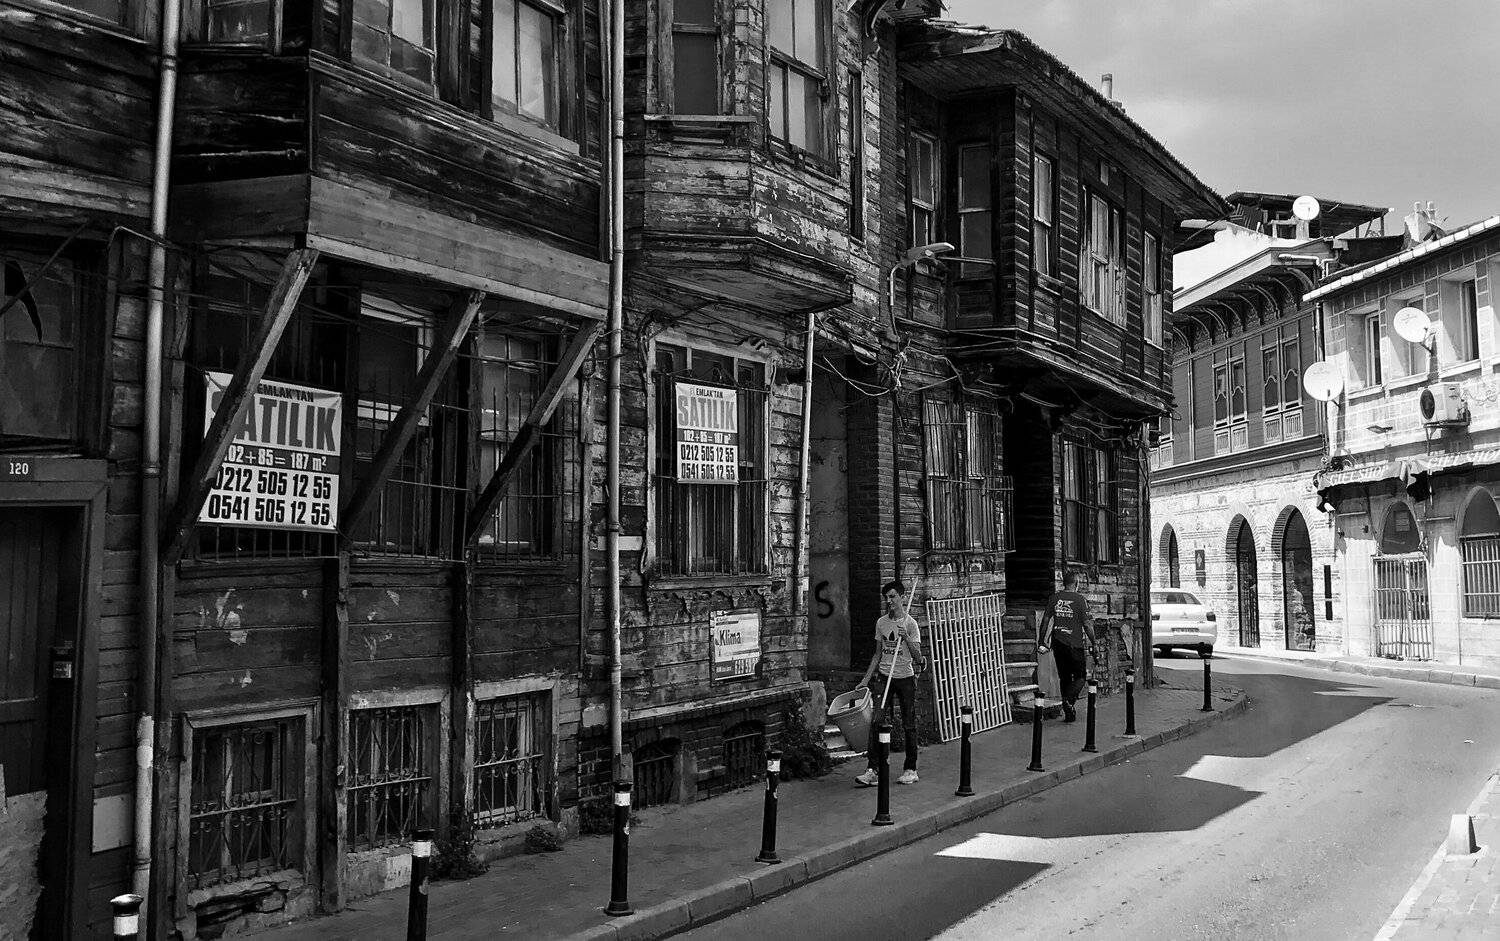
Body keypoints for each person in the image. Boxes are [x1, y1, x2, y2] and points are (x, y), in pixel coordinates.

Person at [854, 580, 926, 786]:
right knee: (876, 721)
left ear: (902, 597)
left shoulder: (910, 624)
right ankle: (872, 770)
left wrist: (906, 638)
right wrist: (865, 679)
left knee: (908, 723)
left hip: (905, 678)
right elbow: (877, 654)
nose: (889, 601)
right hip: (884, 676)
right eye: (886, 597)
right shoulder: (881, 623)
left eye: (893, 596)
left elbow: (918, 658)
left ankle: (911, 769)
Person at [1036, 571, 1097, 722]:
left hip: (1058, 643)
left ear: (1064, 583)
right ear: (1076, 583)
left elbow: (1045, 620)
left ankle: (1068, 710)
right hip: (1074, 644)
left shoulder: (1054, 598)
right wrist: (1094, 642)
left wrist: (1041, 641)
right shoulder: (1080, 600)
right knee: (1081, 676)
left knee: (1064, 677)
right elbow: (1087, 624)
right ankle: (1069, 701)